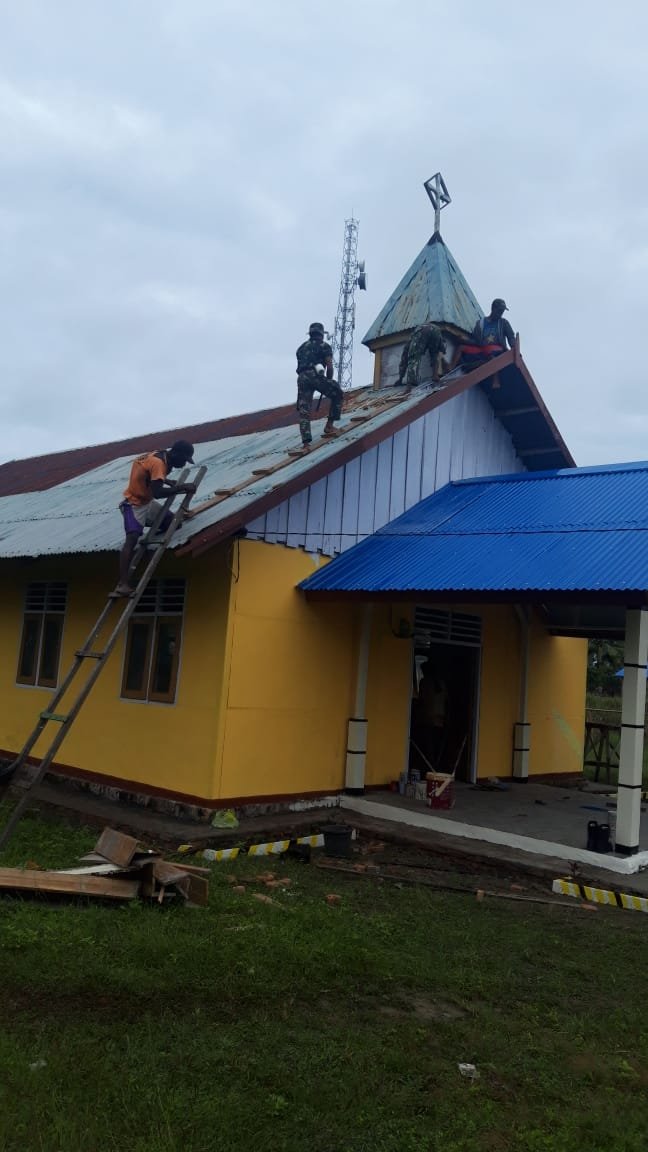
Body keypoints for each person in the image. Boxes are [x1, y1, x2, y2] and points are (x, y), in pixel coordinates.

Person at [114, 439, 196, 597]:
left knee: (173, 523)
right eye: (184, 460)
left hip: (147, 501)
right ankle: (123, 584)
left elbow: (146, 471)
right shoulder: (159, 463)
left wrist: (165, 480)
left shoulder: (160, 455)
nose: (184, 465)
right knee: (131, 539)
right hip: (133, 504)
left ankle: (148, 542)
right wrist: (182, 488)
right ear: (176, 453)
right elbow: (157, 493)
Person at [296, 322, 344, 449]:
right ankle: (329, 426)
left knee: (304, 409)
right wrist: (328, 381)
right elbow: (329, 367)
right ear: (321, 334)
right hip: (315, 375)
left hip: (301, 378)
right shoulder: (324, 346)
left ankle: (306, 443)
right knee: (337, 392)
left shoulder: (301, 349)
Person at [446, 299, 516, 374]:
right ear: (493, 308)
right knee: (461, 348)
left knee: (491, 353)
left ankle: (495, 379)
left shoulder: (503, 323)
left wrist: (514, 348)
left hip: (497, 350)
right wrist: (464, 340)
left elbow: (511, 337)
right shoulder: (480, 323)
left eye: (502, 311)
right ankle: (451, 367)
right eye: (499, 310)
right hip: (482, 349)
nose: (501, 313)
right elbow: (476, 340)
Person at [396, 322, 447, 387]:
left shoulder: (410, 342)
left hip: (423, 330)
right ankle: (435, 376)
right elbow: (437, 352)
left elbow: (405, 360)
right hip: (436, 331)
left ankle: (411, 383)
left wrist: (400, 379)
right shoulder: (414, 338)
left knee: (414, 357)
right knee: (434, 354)